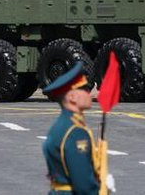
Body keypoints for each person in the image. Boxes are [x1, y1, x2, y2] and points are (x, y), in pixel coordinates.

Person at [42, 62, 101, 195]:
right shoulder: (75, 132)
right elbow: (83, 185)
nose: (89, 93)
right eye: (84, 89)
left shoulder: (60, 125)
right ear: (72, 97)